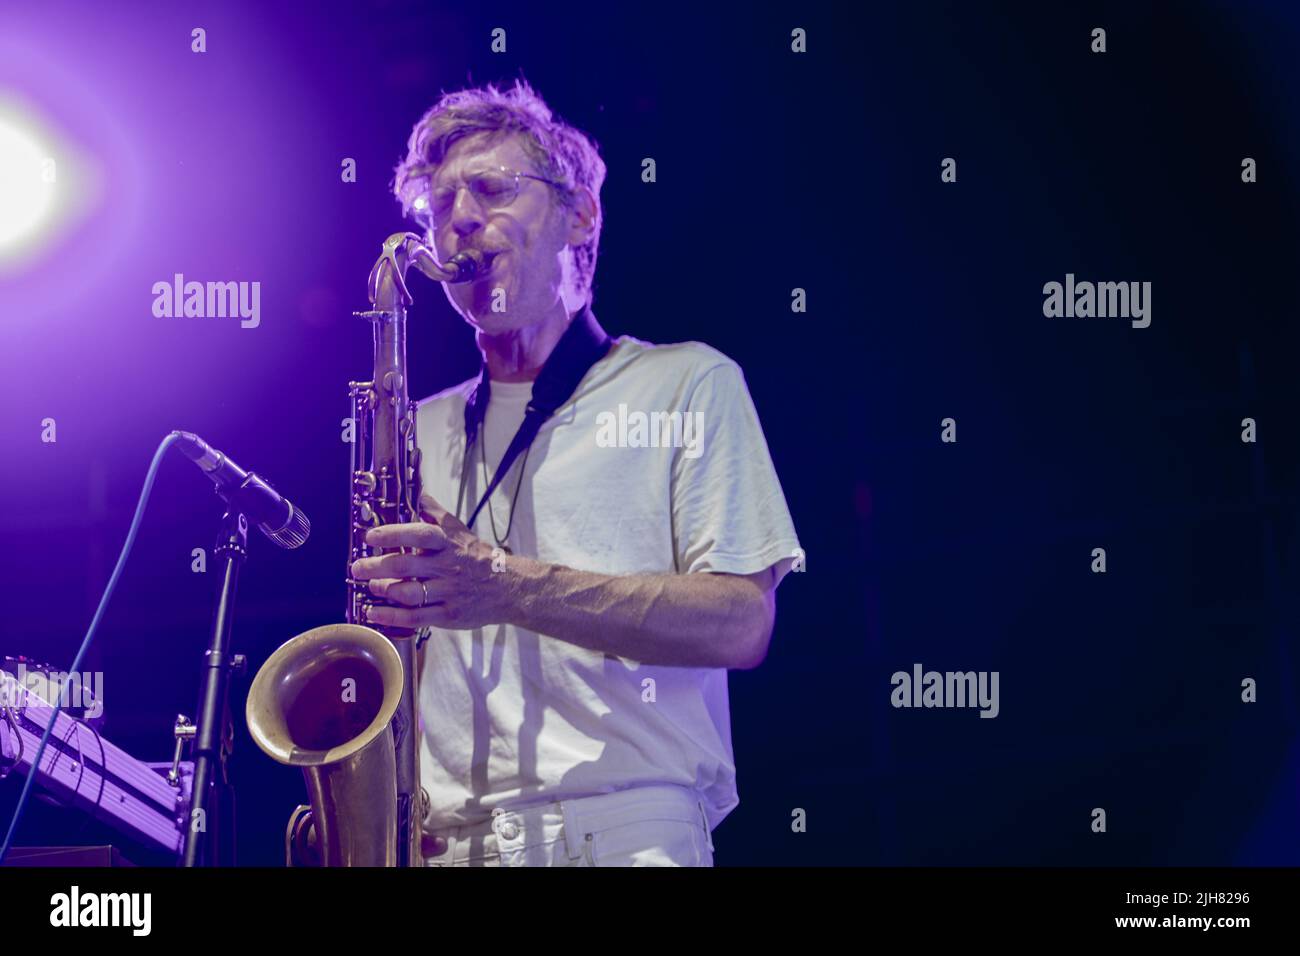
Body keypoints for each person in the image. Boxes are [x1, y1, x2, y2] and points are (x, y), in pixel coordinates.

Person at [348, 78, 800, 867]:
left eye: (491, 189)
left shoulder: (686, 382)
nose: (458, 221)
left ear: (579, 213)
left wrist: (506, 585)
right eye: (438, 206)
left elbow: (741, 622)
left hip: (625, 831)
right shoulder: (415, 428)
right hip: (451, 847)